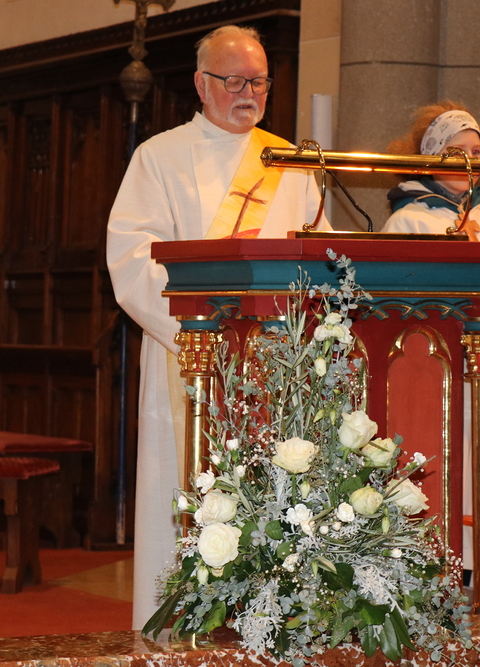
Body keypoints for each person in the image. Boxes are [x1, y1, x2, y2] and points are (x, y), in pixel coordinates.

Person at [107, 25, 329, 629]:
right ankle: (182, 627)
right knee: (190, 491)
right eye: (233, 80)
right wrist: (201, 333)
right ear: (201, 84)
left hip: (278, 365)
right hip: (190, 355)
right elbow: (131, 259)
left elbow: (322, 254)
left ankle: (273, 623)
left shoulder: (289, 161)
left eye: (258, 81)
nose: (248, 93)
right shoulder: (159, 157)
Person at [381, 101, 480, 597]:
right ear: (431, 157)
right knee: (441, 472)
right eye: (457, 151)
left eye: (476, 152)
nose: (470, 161)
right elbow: (392, 306)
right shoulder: (407, 223)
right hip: (433, 378)